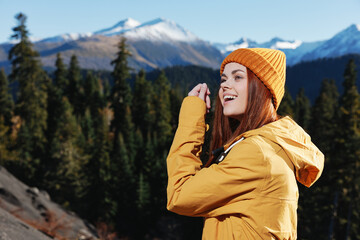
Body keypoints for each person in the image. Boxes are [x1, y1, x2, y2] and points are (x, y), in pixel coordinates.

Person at [166, 48, 324, 239]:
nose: (225, 85)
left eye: (238, 77)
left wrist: (192, 119)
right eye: (224, 79)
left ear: (262, 87)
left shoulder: (256, 153)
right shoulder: (272, 146)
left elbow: (179, 195)